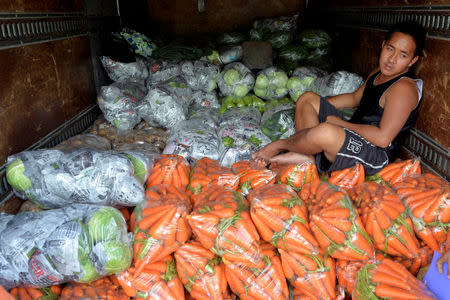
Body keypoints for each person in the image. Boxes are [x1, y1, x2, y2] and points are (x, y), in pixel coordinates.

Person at [252, 20, 426, 176]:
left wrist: (340, 123)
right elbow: (354, 98)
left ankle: (282, 146)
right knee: (307, 99)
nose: (392, 59)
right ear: (383, 45)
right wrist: (318, 107)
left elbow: (382, 138)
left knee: (326, 131)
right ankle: (307, 156)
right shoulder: (379, 73)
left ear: (412, 60)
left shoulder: (403, 88)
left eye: (403, 55)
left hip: (375, 154)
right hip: (354, 132)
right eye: (390, 49)